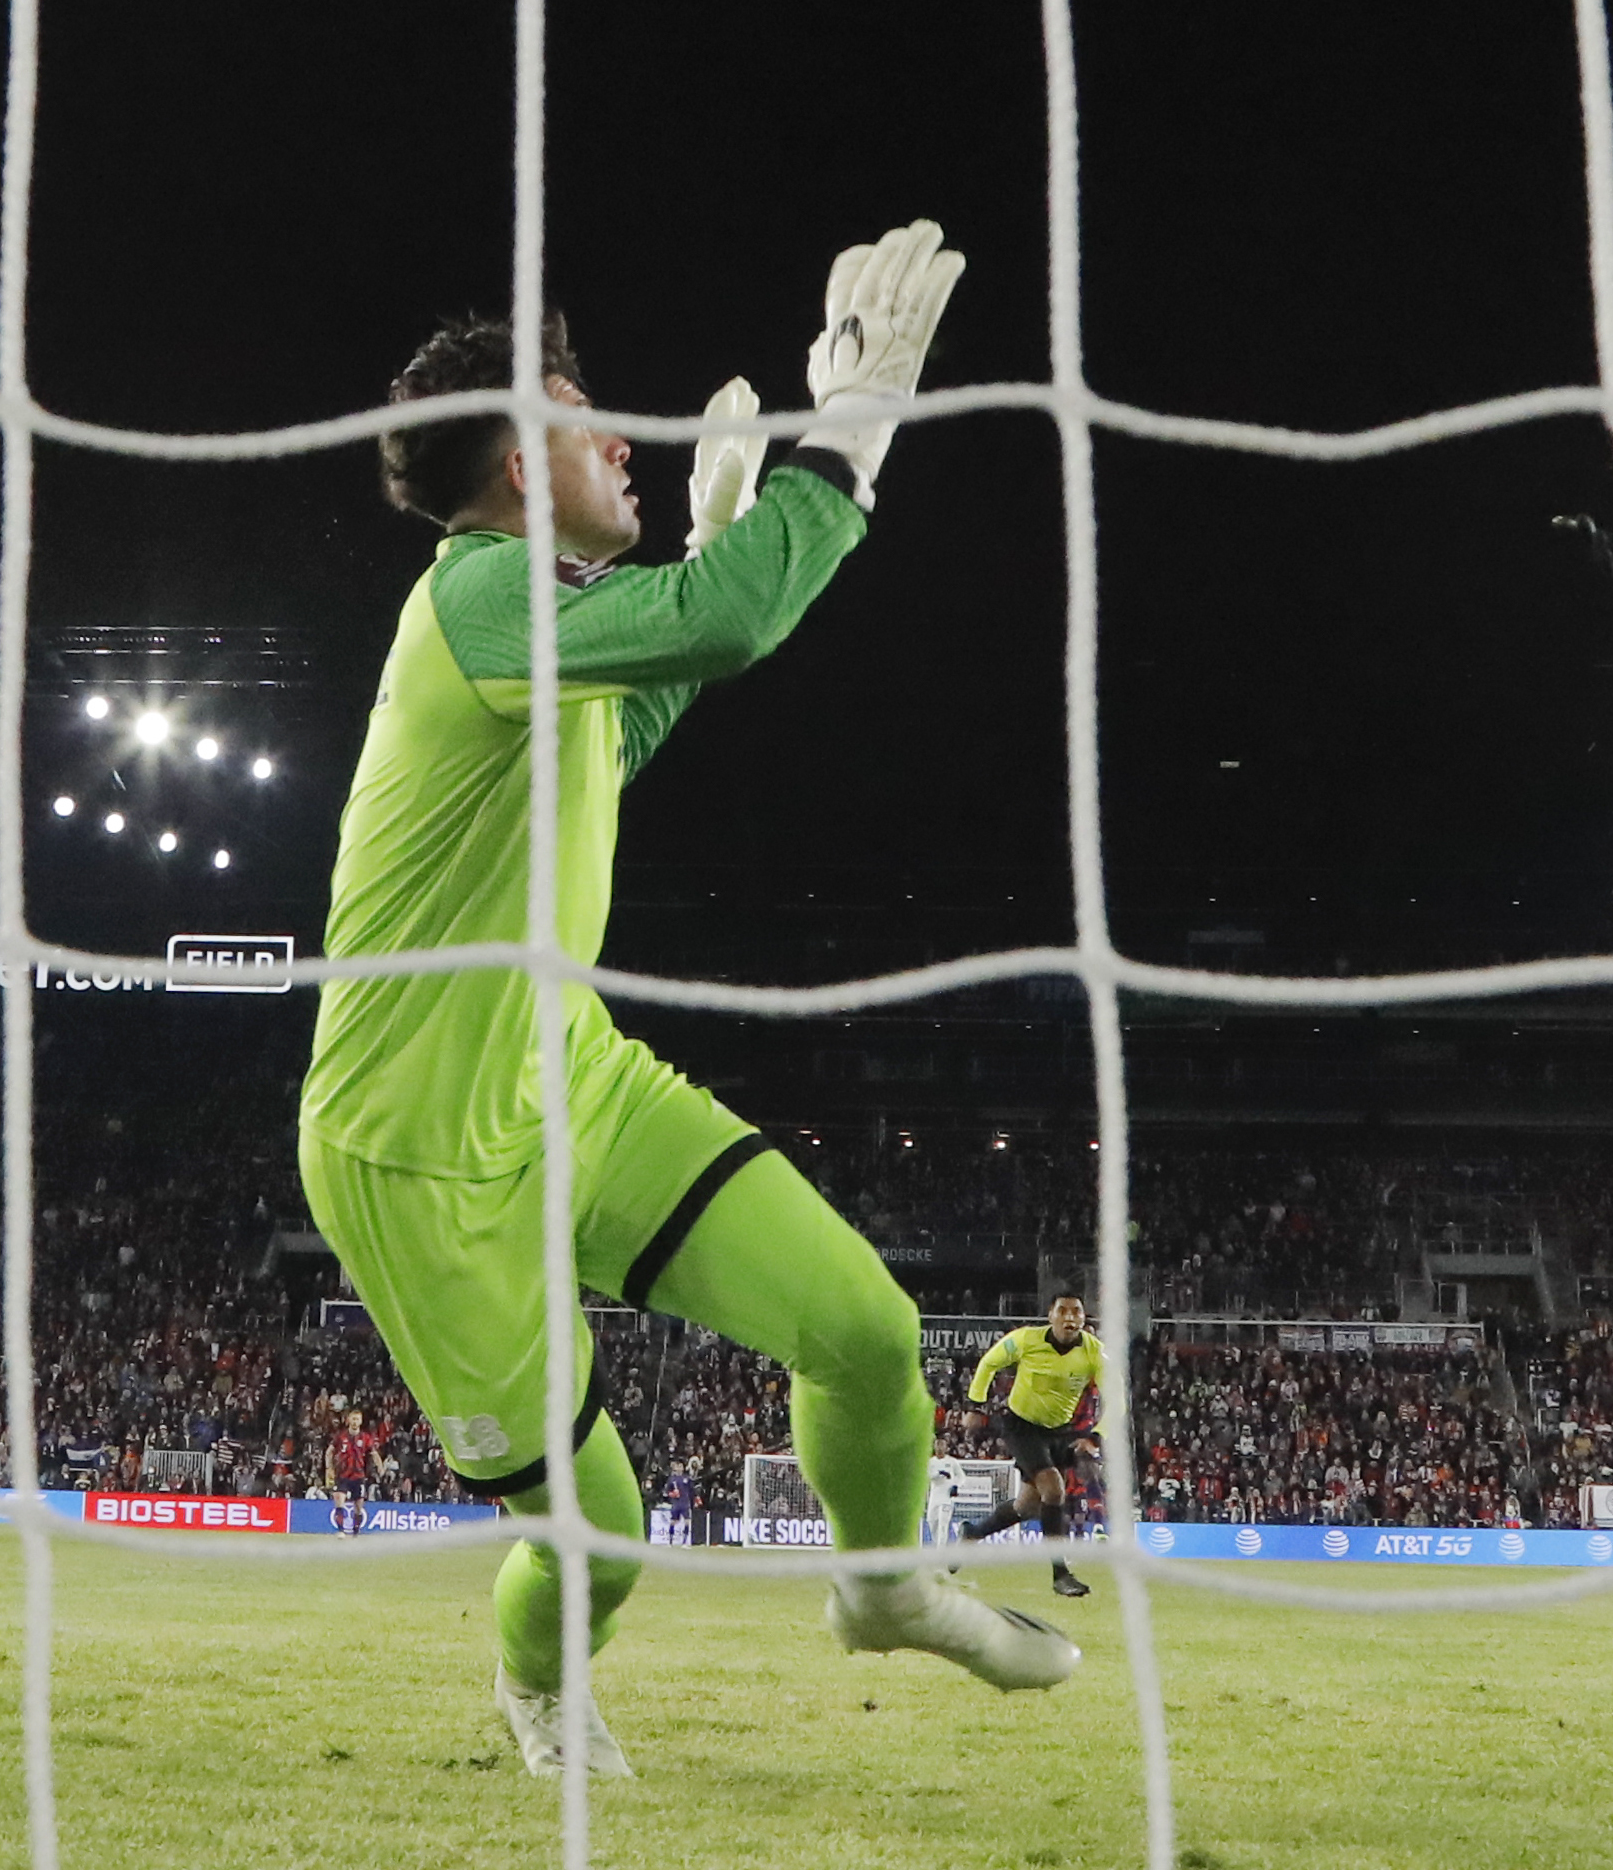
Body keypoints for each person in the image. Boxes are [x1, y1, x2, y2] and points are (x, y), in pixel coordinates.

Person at [298, 224, 1077, 1779]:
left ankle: (879, 1591)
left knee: (864, 1328)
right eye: (589, 420)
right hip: (415, 1149)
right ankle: (534, 1685)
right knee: (607, 1537)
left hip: (562, 1075)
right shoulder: (470, 602)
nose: (624, 441)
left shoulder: (536, 629)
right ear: (522, 465)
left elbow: (634, 720)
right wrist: (847, 439)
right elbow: (724, 622)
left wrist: (702, 560)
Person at [963, 1293, 1105, 1598]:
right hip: (1021, 1426)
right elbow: (989, 1362)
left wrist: (1095, 1435)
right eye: (1063, 1311)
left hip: (1059, 1431)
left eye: (1077, 1312)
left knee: (1026, 1507)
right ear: (1050, 1315)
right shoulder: (1026, 1339)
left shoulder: (1094, 1352)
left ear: (1084, 1318)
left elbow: (1118, 1397)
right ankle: (1060, 1574)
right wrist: (975, 1405)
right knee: (1054, 1490)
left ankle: (973, 1533)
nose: (1070, 1317)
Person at [332, 1408, 378, 1536]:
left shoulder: (365, 1438)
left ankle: (355, 1532)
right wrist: (329, 1468)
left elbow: (373, 1453)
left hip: (358, 1476)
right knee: (339, 1501)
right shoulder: (341, 1436)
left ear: (361, 1421)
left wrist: (380, 1466)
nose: (354, 1421)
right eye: (352, 1418)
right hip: (343, 1474)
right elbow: (329, 1451)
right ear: (348, 1420)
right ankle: (341, 1531)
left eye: (357, 1419)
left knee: (358, 1508)